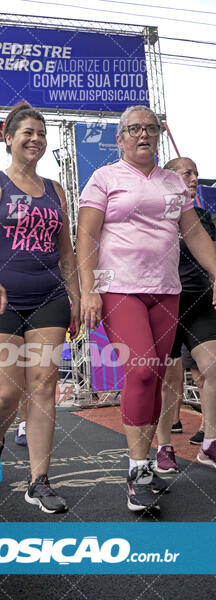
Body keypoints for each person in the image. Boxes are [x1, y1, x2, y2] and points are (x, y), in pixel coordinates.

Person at [76, 106, 216, 513]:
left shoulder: (174, 183)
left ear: (158, 136)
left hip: (166, 292)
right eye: (134, 129)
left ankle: (152, 459)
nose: (143, 134)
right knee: (138, 370)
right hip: (119, 290)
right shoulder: (104, 179)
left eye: (150, 129)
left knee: (154, 377)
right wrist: (89, 291)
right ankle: (137, 470)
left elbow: (194, 235)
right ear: (120, 139)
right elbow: (86, 236)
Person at [0, 101, 80, 514]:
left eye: (41, 134)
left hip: (48, 298)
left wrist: (75, 298)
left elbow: (67, 253)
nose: (36, 139)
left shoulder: (56, 191)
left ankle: (38, 481)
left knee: (43, 385)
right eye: (27, 132)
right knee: (7, 392)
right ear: (9, 139)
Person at [156, 157, 216, 472]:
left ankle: (210, 443)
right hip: (166, 301)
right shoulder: (155, 216)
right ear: (169, 178)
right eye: (186, 172)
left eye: (195, 173)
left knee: (213, 366)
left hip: (201, 302)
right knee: (171, 379)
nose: (194, 178)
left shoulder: (205, 218)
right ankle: (164, 446)